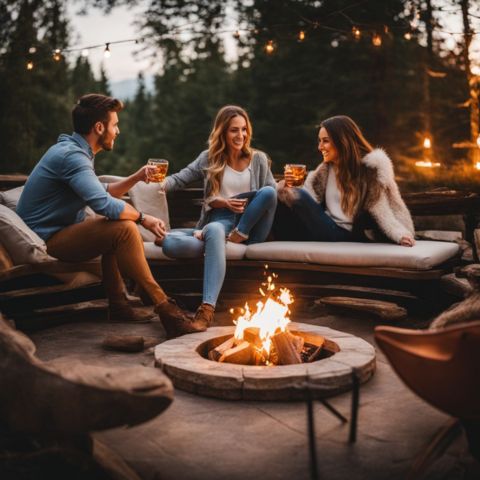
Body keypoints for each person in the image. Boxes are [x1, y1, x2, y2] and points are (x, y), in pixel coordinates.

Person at [17, 93, 205, 338]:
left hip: (56, 232)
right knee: (123, 228)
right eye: (115, 125)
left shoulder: (74, 152)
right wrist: (142, 218)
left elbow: (102, 191)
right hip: (44, 239)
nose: (118, 131)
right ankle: (166, 308)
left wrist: (137, 177)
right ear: (99, 127)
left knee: (117, 226)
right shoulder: (72, 157)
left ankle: (119, 306)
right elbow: (104, 205)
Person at [160, 105, 277, 326]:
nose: (240, 135)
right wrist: (154, 183)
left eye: (244, 130)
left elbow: (270, 195)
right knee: (170, 244)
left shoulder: (258, 159)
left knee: (269, 191)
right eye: (234, 130)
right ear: (222, 132)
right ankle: (211, 239)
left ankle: (207, 308)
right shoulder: (209, 158)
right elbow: (179, 178)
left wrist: (289, 188)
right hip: (221, 221)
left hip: (251, 225)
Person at [274, 115, 415, 246]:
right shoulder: (324, 171)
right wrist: (284, 187)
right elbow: (309, 202)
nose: (320, 147)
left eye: (325, 141)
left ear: (342, 141)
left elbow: (380, 209)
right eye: (319, 141)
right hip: (321, 227)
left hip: (345, 234)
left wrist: (400, 235)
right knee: (273, 194)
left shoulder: (368, 171)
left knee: (298, 195)